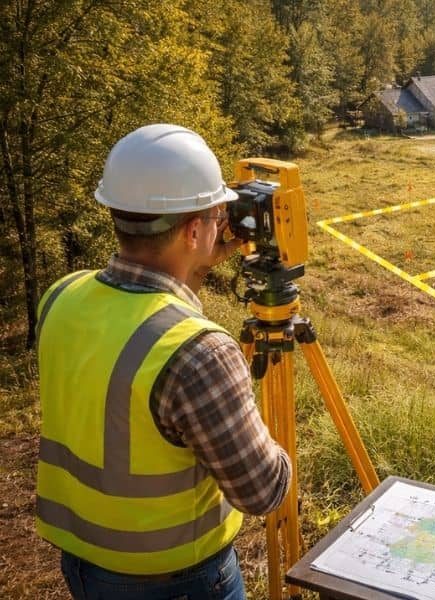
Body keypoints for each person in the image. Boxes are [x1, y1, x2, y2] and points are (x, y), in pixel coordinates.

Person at [34, 124, 290, 599]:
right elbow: (262, 492)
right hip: (177, 583)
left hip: (82, 564)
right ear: (195, 230)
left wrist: (195, 261)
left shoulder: (60, 296)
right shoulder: (197, 351)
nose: (223, 225)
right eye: (217, 215)